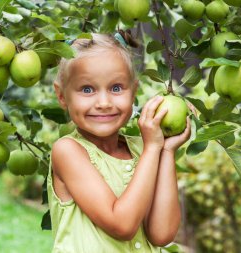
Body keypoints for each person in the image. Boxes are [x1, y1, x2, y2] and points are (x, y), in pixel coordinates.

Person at [48, 32, 191, 253]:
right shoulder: (67, 151)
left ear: (133, 92)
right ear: (62, 96)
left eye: (116, 88)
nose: (104, 103)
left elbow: (162, 234)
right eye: (87, 89)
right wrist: (153, 149)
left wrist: (166, 151)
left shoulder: (142, 149)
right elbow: (121, 225)